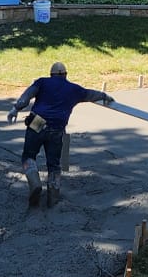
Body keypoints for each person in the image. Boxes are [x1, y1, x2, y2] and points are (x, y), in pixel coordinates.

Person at [6, 61, 113, 208]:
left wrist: (15, 109)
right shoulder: (74, 89)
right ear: (65, 75)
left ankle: (35, 183)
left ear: (51, 74)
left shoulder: (42, 82)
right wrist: (104, 96)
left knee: (28, 156)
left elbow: (26, 97)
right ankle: (53, 196)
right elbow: (90, 94)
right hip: (57, 128)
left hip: (37, 122)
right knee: (54, 164)